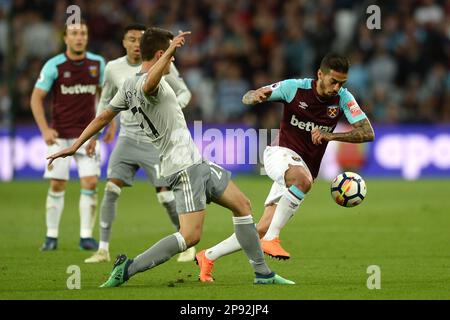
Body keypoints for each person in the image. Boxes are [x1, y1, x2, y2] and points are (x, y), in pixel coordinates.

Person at [47, 27, 294, 287]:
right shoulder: (146, 85)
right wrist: (171, 51)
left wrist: (75, 145)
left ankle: (262, 273)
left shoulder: (128, 85)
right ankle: (128, 268)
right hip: (182, 167)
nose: (174, 61)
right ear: (160, 54)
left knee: (242, 205)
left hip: (196, 162)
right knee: (190, 236)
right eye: (170, 56)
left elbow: (103, 117)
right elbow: (149, 83)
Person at [195, 53, 375, 282]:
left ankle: (207, 257)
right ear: (320, 74)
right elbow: (248, 97)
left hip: (303, 167)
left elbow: (367, 132)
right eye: (334, 81)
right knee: (302, 183)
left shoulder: (343, 98)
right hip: (279, 153)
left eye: (342, 83)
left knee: (259, 228)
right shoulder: (294, 88)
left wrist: (331, 136)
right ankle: (273, 239)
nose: (337, 87)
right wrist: (256, 96)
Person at [83, 23, 196, 264]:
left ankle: (186, 241)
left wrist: (169, 107)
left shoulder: (164, 65)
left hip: (154, 143)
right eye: (131, 39)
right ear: (124, 43)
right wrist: (94, 136)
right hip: (127, 139)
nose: (136, 44)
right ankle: (103, 249)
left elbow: (184, 92)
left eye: (140, 39)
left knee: (165, 196)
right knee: (111, 187)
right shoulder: (113, 68)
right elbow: (105, 103)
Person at [31, 21, 105, 251]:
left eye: (83, 33)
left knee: (90, 182)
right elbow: (36, 98)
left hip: (87, 135)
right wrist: (45, 129)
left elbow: (106, 96)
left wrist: (103, 129)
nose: (79, 37)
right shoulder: (54, 65)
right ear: (65, 38)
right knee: (57, 184)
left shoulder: (97, 63)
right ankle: (51, 237)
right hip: (60, 136)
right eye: (74, 34)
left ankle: (85, 237)